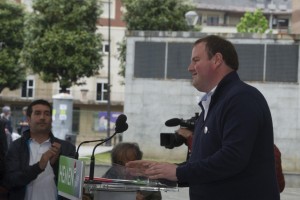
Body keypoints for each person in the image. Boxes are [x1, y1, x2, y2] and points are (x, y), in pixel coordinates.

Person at [126, 35, 280, 200]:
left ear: (217, 60)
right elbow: (204, 163)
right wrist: (160, 171)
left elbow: (233, 158)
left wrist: (178, 173)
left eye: (196, 60)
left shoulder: (241, 98)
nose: (190, 68)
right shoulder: (214, 103)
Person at [4, 99, 76, 200]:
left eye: (47, 114)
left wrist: (56, 163)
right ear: (28, 119)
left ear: (51, 119)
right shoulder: (16, 147)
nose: (42, 117)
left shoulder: (67, 148)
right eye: (37, 113)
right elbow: (10, 181)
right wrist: (38, 167)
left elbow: (72, 188)